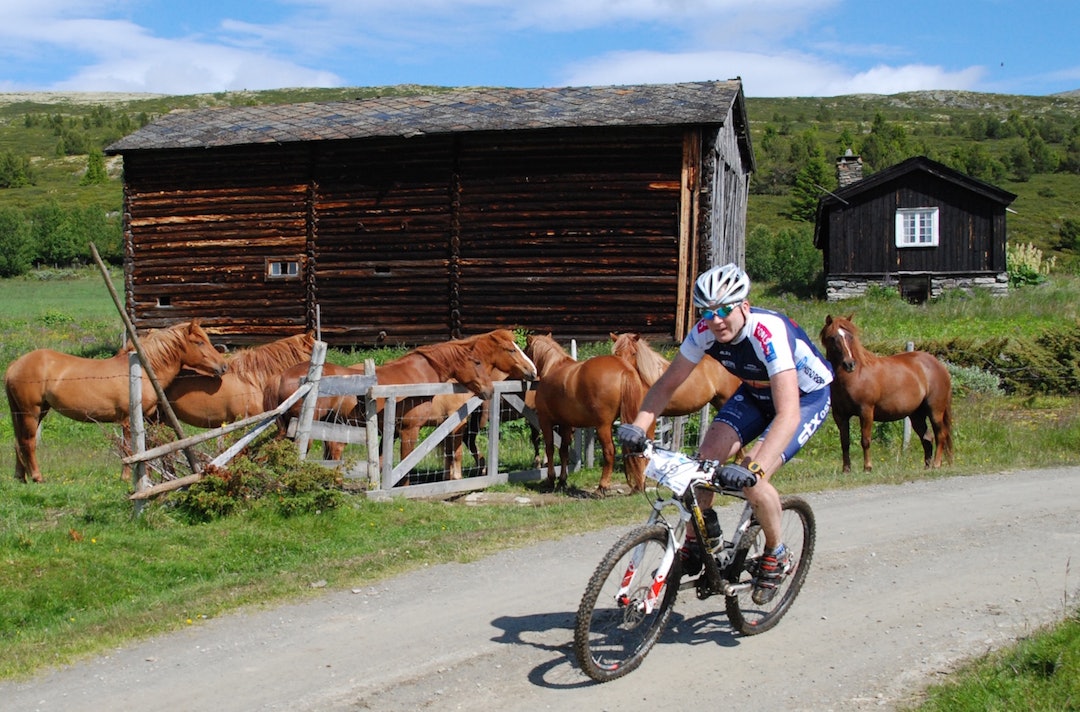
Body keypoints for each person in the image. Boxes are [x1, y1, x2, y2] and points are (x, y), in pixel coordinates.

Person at [617, 263, 833, 603]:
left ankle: (776, 553)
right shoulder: (703, 331)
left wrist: (752, 467)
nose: (715, 320)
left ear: (744, 306)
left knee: (753, 479)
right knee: (702, 465)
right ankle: (699, 539)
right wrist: (637, 427)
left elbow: (788, 412)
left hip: (803, 398)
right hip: (754, 392)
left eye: (723, 310)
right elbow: (665, 385)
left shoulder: (768, 333)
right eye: (706, 311)